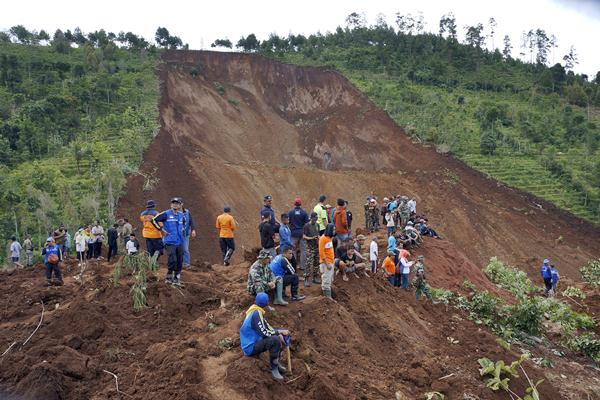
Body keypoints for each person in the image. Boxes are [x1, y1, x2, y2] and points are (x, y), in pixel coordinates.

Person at [240, 292, 290, 381]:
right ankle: (274, 368)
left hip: (253, 341)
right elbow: (265, 333)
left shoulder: (255, 310)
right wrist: (278, 333)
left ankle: (276, 362)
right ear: (267, 304)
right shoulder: (256, 314)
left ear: (255, 301)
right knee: (274, 340)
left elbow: (267, 327)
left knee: (276, 337)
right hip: (250, 347)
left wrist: (279, 333)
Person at [152, 197, 186, 287]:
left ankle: (176, 278)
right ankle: (169, 276)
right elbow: (153, 220)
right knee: (173, 259)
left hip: (180, 241)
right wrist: (161, 229)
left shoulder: (181, 215)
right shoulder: (166, 214)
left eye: (177, 203)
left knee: (180, 260)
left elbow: (184, 223)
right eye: (173, 203)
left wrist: (182, 229)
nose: (175, 204)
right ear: (171, 205)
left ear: (180, 205)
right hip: (169, 241)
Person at [288, 198, 309, 271]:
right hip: (302, 233)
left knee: (293, 250)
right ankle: (302, 266)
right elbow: (307, 223)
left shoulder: (291, 212)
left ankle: (294, 266)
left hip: (293, 233)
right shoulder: (304, 212)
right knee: (303, 250)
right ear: (300, 204)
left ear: (294, 204)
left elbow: (288, 222)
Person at [303, 212, 321, 286]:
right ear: (311, 218)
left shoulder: (317, 225)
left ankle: (315, 276)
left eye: (316, 219)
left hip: (316, 246)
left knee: (316, 262)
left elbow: (318, 233)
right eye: (314, 219)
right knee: (308, 263)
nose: (315, 220)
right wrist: (311, 238)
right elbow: (304, 236)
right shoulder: (307, 226)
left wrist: (318, 238)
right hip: (309, 247)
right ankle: (306, 278)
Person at [319, 223, 336, 299]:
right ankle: (327, 298)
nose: (334, 231)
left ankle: (327, 296)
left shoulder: (329, 238)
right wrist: (327, 263)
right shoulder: (323, 239)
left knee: (330, 278)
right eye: (333, 229)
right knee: (326, 279)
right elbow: (321, 253)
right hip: (326, 263)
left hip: (331, 262)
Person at [180, 200, 197, 269]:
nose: (177, 205)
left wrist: (193, 230)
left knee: (185, 249)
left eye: (179, 203)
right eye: (176, 203)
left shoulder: (187, 212)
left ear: (182, 204)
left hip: (185, 233)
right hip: (176, 234)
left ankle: (186, 264)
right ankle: (179, 263)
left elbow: (191, 221)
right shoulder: (173, 212)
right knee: (177, 249)